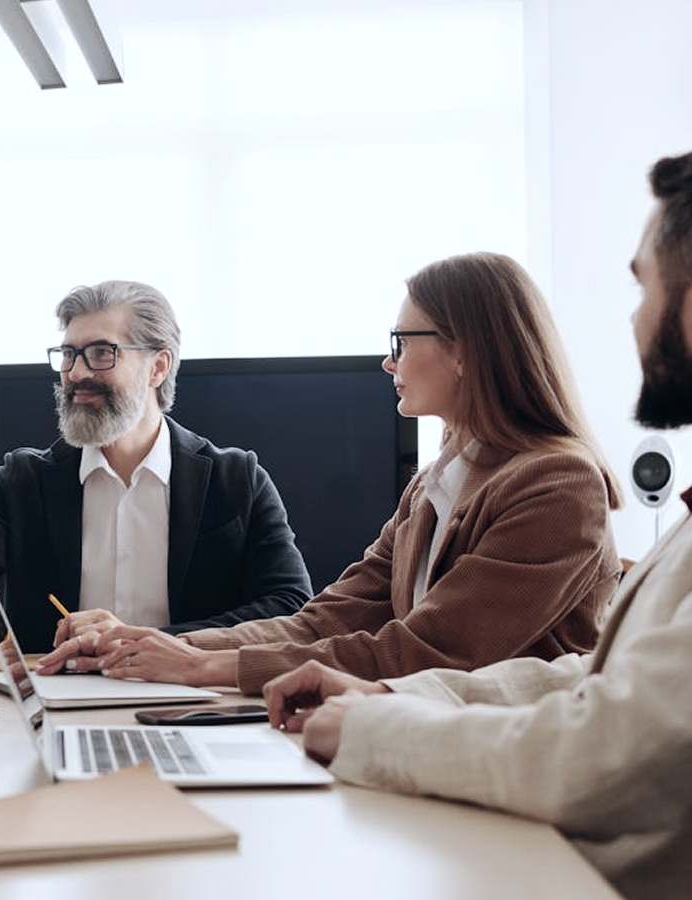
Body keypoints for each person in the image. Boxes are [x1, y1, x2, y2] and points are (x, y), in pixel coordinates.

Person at [259, 151, 692, 900]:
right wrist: (394, 701)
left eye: (641, 283)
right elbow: (585, 681)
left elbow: (609, 753)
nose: (631, 314)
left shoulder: (555, 480)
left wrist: (374, 729)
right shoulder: (434, 482)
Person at [39, 253, 622, 692]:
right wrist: (163, 647)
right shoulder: (432, 486)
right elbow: (325, 619)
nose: (388, 360)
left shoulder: (558, 486)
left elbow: (430, 651)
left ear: (465, 350)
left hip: (505, 777)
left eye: (401, 340)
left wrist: (208, 665)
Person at [0, 280, 313, 651]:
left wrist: (150, 642)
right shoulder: (22, 481)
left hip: (192, 700)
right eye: (68, 354)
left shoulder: (237, 481)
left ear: (158, 366)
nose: (78, 373)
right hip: (61, 701)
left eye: (101, 353)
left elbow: (289, 607)